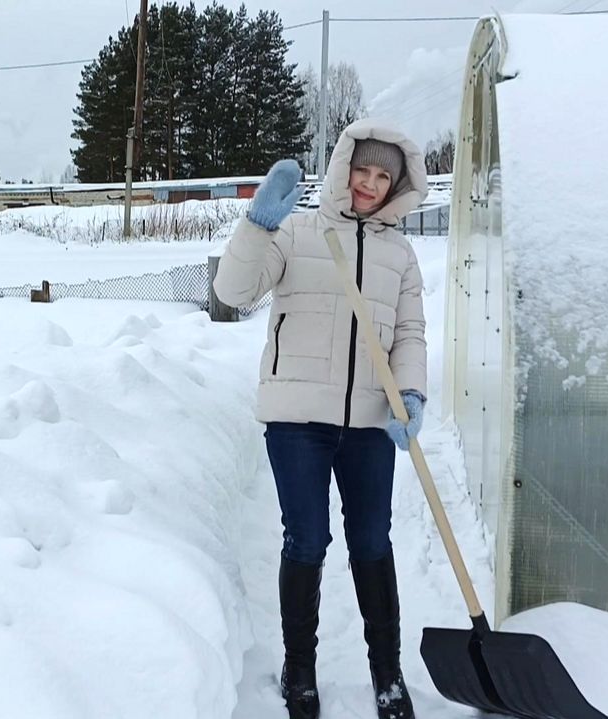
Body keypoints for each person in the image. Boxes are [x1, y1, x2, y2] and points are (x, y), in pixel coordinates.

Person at [213, 117, 428, 719]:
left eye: (383, 175)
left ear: (396, 185)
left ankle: (387, 675)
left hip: (369, 421)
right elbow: (233, 292)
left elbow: (409, 331)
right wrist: (257, 226)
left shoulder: (401, 253)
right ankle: (299, 671)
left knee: (371, 541)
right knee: (306, 540)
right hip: (296, 417)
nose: (370, 183)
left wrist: (409, 394)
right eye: (362, 169)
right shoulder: (299, 231)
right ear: (343, 168)